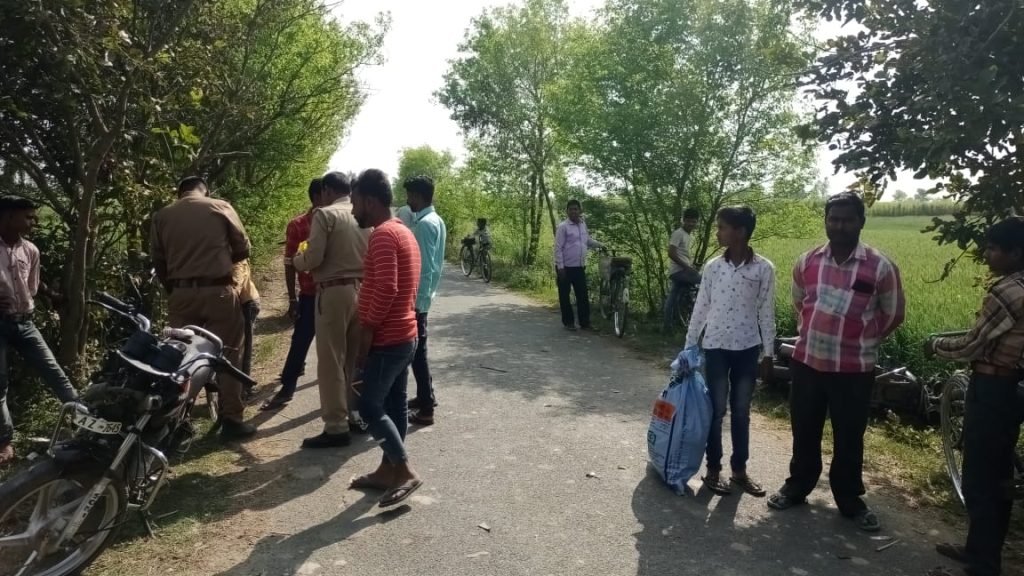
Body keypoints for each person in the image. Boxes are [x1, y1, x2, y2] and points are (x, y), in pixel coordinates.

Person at [766, 191, 905, 532]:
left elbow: (893, 314)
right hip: (808, 362)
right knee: (804, 428)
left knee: (849, 436)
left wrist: (861, 339)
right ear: (826, 221)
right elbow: (800, 302)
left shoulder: (880, 266)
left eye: (847, 220)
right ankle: (798, 486)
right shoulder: (808, 261)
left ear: (861, 222)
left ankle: (849, 498)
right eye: (834, 219)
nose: (840, 226)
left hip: (854, 369)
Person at [925, 217, 1024, 576]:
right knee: (998, 476)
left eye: (994, 248)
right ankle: (978, 549)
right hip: (1011, 390)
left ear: (1015, 253)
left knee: (980, 478)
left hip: (993, 388)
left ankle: (983, 564)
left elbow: (972, 345)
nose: (987, 254)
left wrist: (936, 346)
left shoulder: (1007, 292)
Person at [150, 176, 256, 441]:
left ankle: (177, 423)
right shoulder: (220, 206)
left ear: (180, 192)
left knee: (180, 358)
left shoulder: (162, 216)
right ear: (205, 190)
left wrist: (176, 289)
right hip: (218, 290)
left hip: (181, 294)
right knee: (228, 354)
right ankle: (231, 419)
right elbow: (243, 249)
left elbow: (158, 261)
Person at [685, 206, 775, 497]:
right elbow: (701, 307)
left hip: (747, 348)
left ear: (740, 232)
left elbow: (766, 312)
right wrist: (689, 346)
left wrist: (769, 353)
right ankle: (713, 469)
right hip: (716, 347)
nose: (718, 232)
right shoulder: (714, 267)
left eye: (722, 227)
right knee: (716, 410)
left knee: (741, 411)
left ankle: (739, 471)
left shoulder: (763, 269)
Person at [347, 168, 424, 508]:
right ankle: (386, 470)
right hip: (404, 335)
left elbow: (387, 289)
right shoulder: (403, 231)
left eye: (354, 202)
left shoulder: (383, 235)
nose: (353, 210)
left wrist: (367, 329)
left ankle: (404, 470)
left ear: (369, 200)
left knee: (368, 406)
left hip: (388, 338)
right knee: (394, 405)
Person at [292, 171, 369, 448]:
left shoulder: (325, 215)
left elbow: (314, 257)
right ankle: (352, 413)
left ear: (326, 191)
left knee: (331, 360)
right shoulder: (362, 214)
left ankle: (336, 426)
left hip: (333, 292)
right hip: (361, 289)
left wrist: (297, 260)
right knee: (352, 359)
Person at [0, 196, 79, 466]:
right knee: (0, 384)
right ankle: (4, 443)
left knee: (54, 372)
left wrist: (54, 296)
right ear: (8, 217)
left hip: (25, 322)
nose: (33, 221)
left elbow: (32, 287)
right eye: (28, 216)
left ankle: (84, 421)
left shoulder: (31, 250)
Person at [261, 178, 324, 411]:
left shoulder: (337, 222)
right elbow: (289, 263)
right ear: (318, 196)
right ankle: (287, 389)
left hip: (333, 294)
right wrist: (292, 298)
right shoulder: (298, 225)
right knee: (300, 341)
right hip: (310, 294)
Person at [404, 176, 447, 427]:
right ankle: (425, 396)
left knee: (417, 353)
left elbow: (426, 268)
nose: (408, 200)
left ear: (418, 196)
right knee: (420, 351)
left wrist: (417, 303)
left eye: (410, 195)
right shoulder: (435, 220)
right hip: (424, 297)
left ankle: (427, 409)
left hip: (419, 300)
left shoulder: (424, 225)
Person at [554, 199, 604, 331]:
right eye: (571, 209)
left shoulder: (582, 224)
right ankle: (569, 323)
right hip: (565, 268)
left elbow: (587, 240)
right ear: (567, 211)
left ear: (580, 210)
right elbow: (558, 248)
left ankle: (585, 323)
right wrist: (560, 267)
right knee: (564, 296)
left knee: (582, 295)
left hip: (579, 266)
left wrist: (600, 245)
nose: (573, 212)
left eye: (576, 209)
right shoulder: (563, 227)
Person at [663, 208, 702, 331]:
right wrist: (687, 267)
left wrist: (690, 265)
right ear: (683, 220)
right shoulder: (678, 233)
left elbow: (683, 254)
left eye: (694, 221)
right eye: (688, 221)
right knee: (705, 281)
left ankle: (668, 326)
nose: (691, 224)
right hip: (679, 271)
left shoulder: (687, 235)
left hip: (682, 270)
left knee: (673, 298)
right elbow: (671, 253)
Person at [235, 258, 260, 398]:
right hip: (235, 304)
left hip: (246, 303)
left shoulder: (237, 259)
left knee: (244, 347)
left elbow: (237, 281)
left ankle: (245, 388)